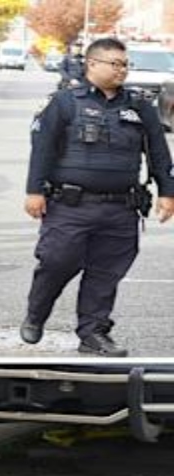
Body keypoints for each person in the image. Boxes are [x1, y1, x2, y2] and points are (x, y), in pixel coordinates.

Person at [22, 37, 174, 357]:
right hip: (70, 205)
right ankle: (37, 313)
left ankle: (92, 334)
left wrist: (167, 192)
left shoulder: (139, 106)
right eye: (115, 64)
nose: (122, 70)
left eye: (125, 64)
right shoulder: (63, 101)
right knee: (56, 262)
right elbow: (43, 149)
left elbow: (159, 153)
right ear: (92, 64)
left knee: (106, 273)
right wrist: (34, 191)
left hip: (121, 208)